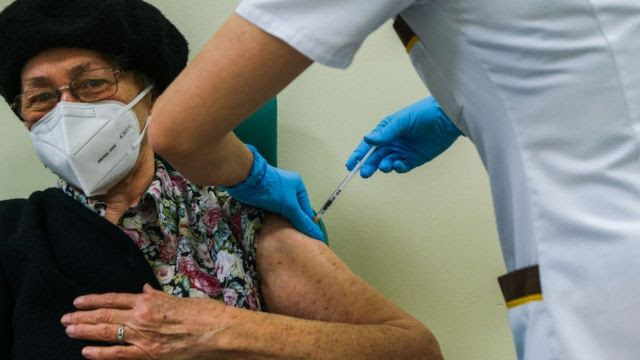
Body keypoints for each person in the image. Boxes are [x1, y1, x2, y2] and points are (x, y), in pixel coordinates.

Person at [147, 1, 640, 360]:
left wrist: (255, 177)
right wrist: (461, 110)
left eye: (93, 85)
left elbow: (178, 130)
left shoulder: (257, 237)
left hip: (608, 274)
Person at [0, 1, 442, 359]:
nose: (67, 110)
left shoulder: (235, 219)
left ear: (152, 97)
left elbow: (415, 350)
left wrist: (223, 330)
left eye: (92, 83)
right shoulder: (12, 231)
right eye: (41, 97)